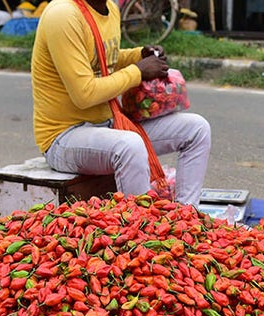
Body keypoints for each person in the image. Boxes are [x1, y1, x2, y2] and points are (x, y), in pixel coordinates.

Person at [30, 0, 212, 207]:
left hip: (109, 124)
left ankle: (186, 216)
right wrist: (138, 71)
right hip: (64, 137)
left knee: (197, 129)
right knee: (130, 145)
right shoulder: (63, 15)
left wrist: (139, 54)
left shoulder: (111, 9)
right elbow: (84, 94)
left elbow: (105, 59)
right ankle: (142, 230)